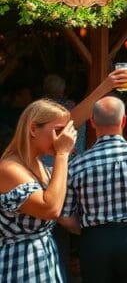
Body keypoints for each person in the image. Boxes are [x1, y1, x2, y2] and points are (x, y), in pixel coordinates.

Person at [59, 96, 127, 283]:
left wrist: (91, 230)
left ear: (92, 122)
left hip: (95, 241)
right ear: (123, 120)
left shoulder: (76, 164)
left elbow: (66, 218)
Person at [0, 100, 77, 283]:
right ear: (33, 129)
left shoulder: (38, 163)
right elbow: (51, 209)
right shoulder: (9, 168)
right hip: (18, 265)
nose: (64, 138)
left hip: (43, 259)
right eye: (58, 131)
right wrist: (62, 155)